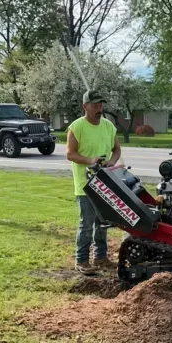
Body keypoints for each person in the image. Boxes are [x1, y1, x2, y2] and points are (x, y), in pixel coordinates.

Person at [66, 90, 121, 274]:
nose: (99, 109)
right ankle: (81, 260)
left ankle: (100, 256)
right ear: (85, 107)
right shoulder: (77, 127)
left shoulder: (107, 126)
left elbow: (116, 149)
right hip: (85, 186)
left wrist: (111, 163)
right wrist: (91, 161)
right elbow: (70, 154)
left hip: (104, 185)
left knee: (102, 222)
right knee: (87, 224)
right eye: (95, 105)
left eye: (100, 105)